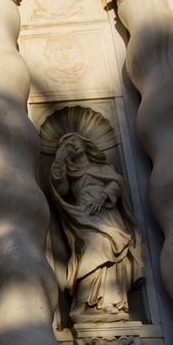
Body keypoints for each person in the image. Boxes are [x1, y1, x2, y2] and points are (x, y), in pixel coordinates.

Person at [47, 131, 142, 323]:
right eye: (67, 144)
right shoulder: (70, 172)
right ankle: (84, 304)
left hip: (107, 213)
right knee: (95, 248)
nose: (72, 144)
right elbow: (61, 189)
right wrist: (59, 161)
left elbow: (117, 182)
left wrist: (104, 195)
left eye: (74, 140)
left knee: (115, 253)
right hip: (85, 216)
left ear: (84, 143)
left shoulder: (102, 167)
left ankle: (110, 303)